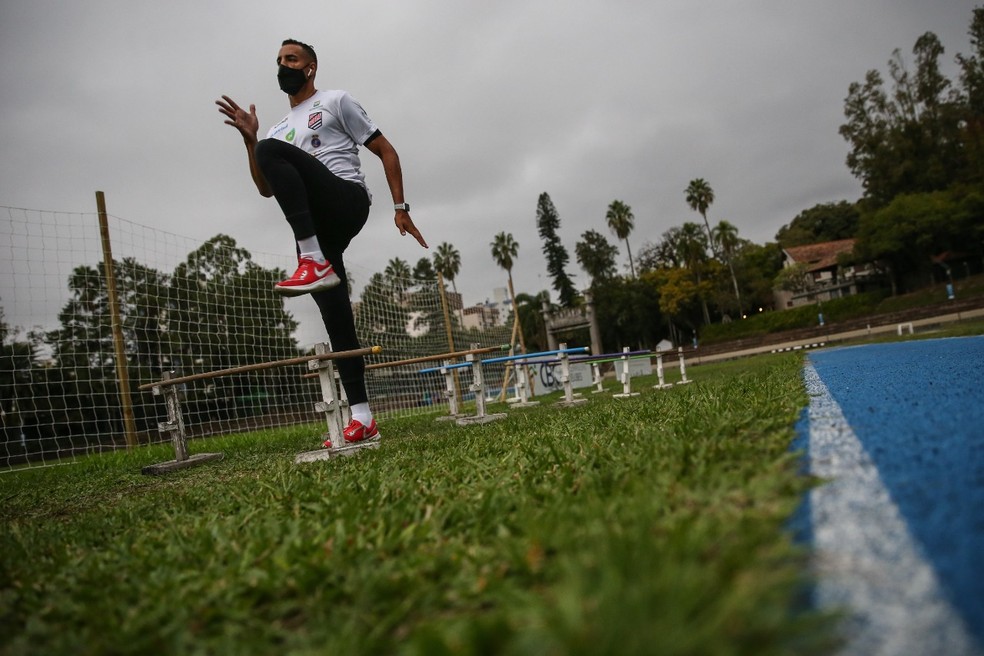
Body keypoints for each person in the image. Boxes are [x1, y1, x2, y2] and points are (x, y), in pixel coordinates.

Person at [216, 38, 427, 448]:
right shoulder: (275, 130)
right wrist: (250, 140)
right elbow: (265, 188)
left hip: (346, 198)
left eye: (291, 59)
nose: (283, 66)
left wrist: (400, 206)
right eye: (279, 61)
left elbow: (385, 150)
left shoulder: (335, 100)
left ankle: (312, 258)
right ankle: (362, 419)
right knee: (336, 318)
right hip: (313, 225)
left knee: (272, 151)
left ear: (310, 68)